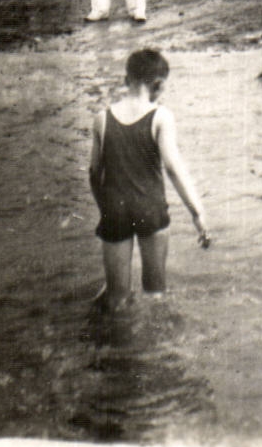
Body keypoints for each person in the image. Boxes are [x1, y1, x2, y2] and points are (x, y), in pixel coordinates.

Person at [89, 49, 210, 312]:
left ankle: (119, 350)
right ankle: (159, 350)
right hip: (150, 209)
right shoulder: (161, 116)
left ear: (126, 81)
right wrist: (197, 212)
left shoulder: (102, 119)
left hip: (115, 211)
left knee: (117, 299)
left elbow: (94, 173)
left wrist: (105, 209)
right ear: (158, 85)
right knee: (156, 293)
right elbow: (173, 168)